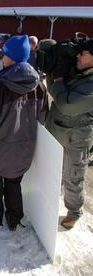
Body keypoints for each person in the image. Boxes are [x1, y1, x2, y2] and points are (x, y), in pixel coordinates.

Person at [0, 35, 48, 231]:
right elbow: (42, 117)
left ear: (11, 57)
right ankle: (14, 219)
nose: (1, 59)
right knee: (14, 185)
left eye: (3, 54)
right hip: (23, 150)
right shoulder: (39, 85)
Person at [45, 39, 93, 229]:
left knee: (73, 177)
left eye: (83, 54)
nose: (78, 56)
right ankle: (48, 202)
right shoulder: (77, 73)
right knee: (52, 172)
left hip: (76, 140)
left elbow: (67, 105)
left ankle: (74, 212)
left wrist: (58, 81)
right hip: (57, 132)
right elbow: (53, 90)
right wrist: (55, 72)